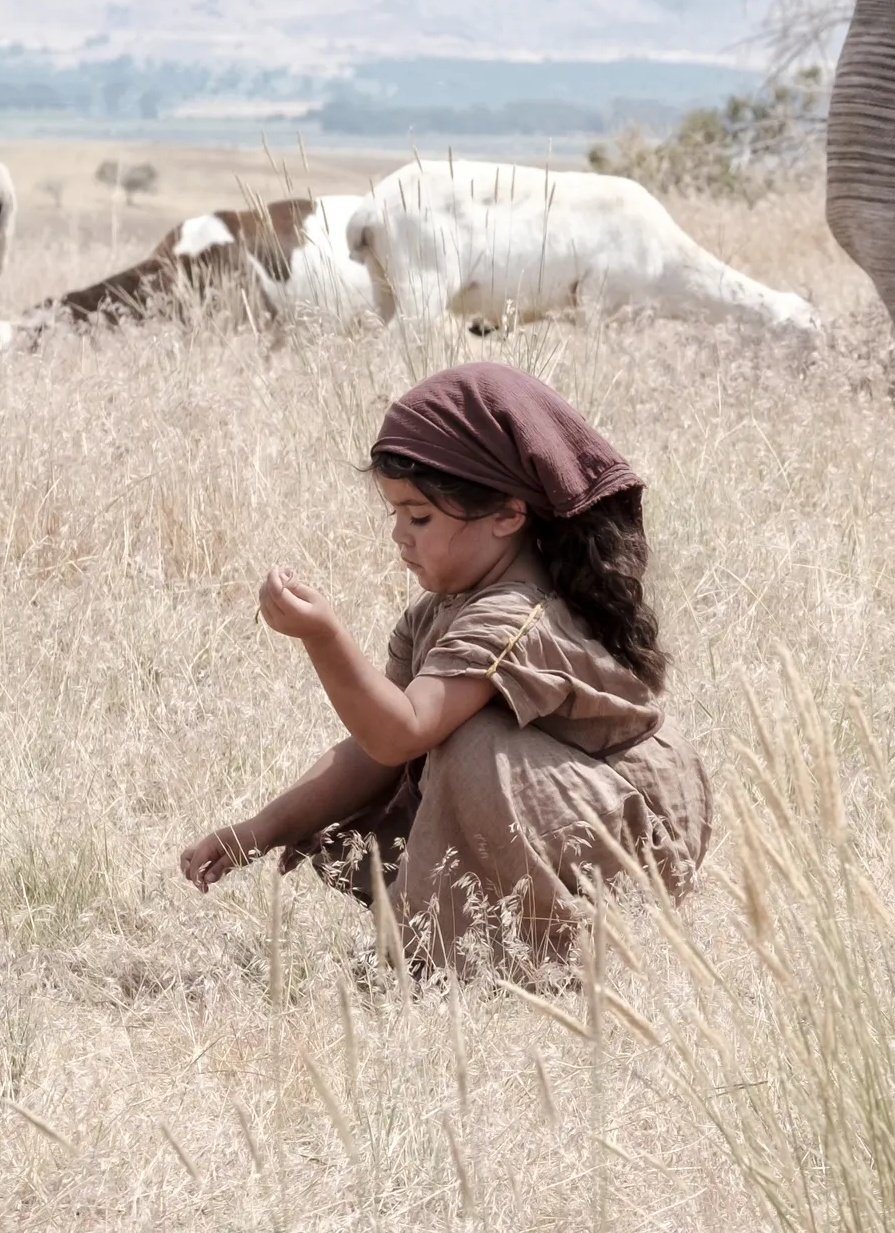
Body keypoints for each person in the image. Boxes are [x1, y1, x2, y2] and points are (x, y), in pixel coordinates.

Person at [178, 361, 710, 970]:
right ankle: (463, 948)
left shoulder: (515, 618)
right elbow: (378, 749)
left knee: (472, 744)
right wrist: (259, 828)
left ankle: (550, 953)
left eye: (421, 517)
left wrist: (322, 637)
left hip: (637, 845)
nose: (400, 536)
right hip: (578, 815)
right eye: (395, 514)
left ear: (508, 515)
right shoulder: (442, 611)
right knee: (458, 745)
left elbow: (403, 729)